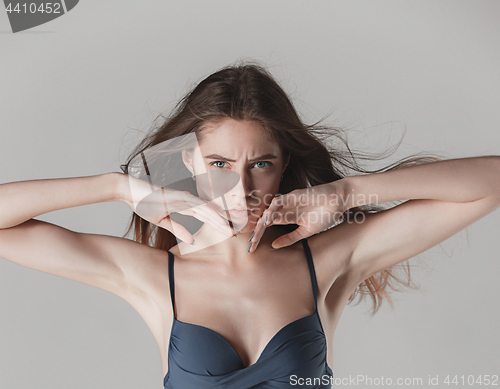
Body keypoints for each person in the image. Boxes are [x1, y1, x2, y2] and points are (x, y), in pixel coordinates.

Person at [1, 61, 499, 389]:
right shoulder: (154, 276)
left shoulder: (326, 261)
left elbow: (492, 182)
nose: (241, 189)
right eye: (219, 164)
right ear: (189, 164)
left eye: (260, 164)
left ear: (284, 166)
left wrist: (345, 192)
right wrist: (117, 185)